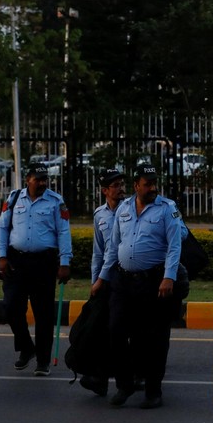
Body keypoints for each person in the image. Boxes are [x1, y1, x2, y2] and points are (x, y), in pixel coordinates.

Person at [96, 164, 183, 409]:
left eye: (155, 183)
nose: (153, 188)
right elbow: (113, 248)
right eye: (148, 183)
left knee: (153, 338)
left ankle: (154, 391)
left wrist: (169, 277)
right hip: (123, 281)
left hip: (153, 281)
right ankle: (124, 385)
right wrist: (102, 278)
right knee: (115, 330)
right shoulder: (123, 209)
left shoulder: (167, 209)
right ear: (136, 186)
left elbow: (175, 246)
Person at [0, 163, 72, 376]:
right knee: (11, 307)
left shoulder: (56, 202)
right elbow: (2, 228)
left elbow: (63, 232)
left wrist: (65, 262)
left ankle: (42, 359)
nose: (42, 183)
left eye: (44, 179)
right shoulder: (13, 199)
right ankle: (26, 348)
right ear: (27, 179)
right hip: (16, 262)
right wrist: (1, 256)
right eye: (37, 179)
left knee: (44, 314)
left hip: (44, 264)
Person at [80, 168, 126, 396]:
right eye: (115, 186)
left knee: (121, 329)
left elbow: (117, 252)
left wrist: (101, 278)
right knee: (101, 329)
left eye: (121, 184)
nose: (120, 189)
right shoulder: (100, 215)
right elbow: (99, 252)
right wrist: (94, 281)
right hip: (106, 281)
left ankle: (131, 376)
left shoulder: (131, 210)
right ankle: (99, 377)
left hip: (126, 278)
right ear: (104, 190)